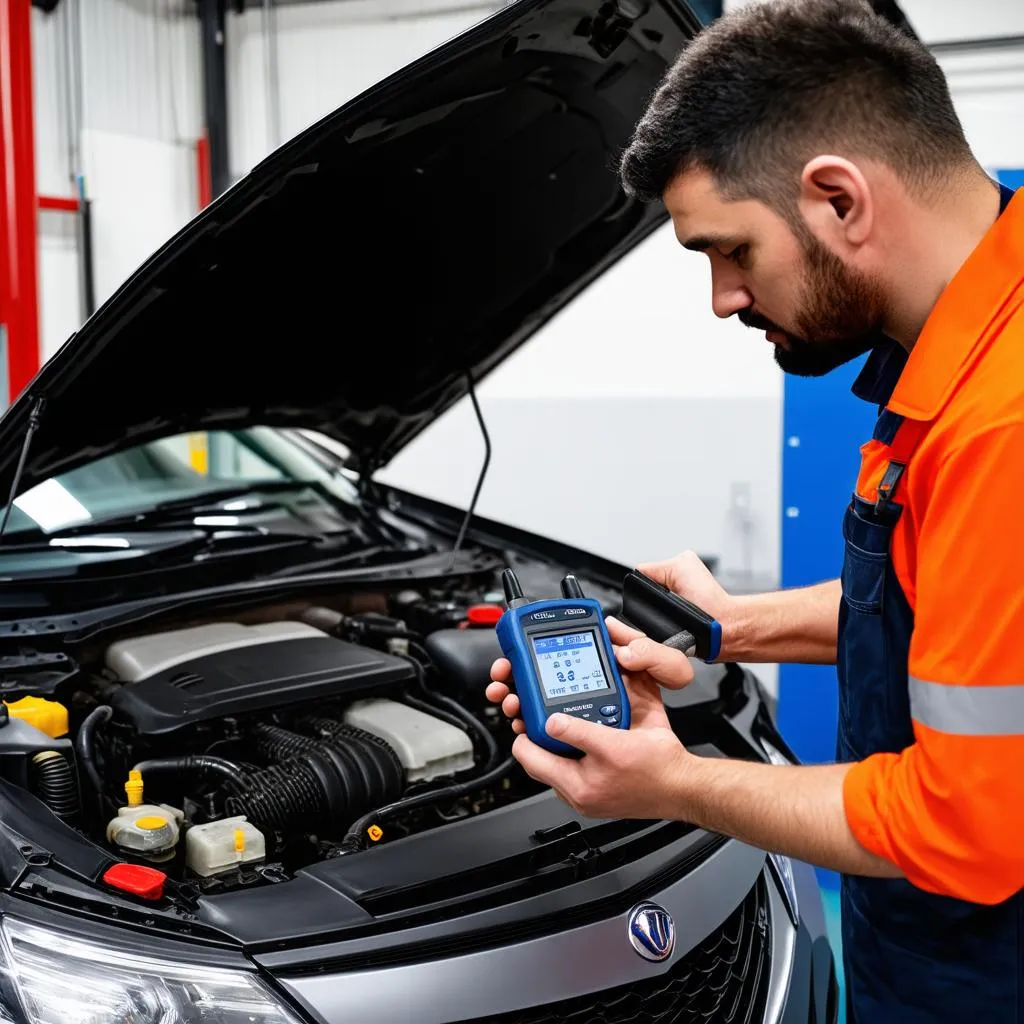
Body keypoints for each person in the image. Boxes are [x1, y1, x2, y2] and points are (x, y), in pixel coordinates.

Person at [484, 1, 1024, 1020]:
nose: (724, 298)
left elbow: (963, 828)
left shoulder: (1002, 422)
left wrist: (675, 782)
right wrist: (725, 628)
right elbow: (953, 615)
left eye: (728, 250)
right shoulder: (966, 348)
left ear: (836, 199)